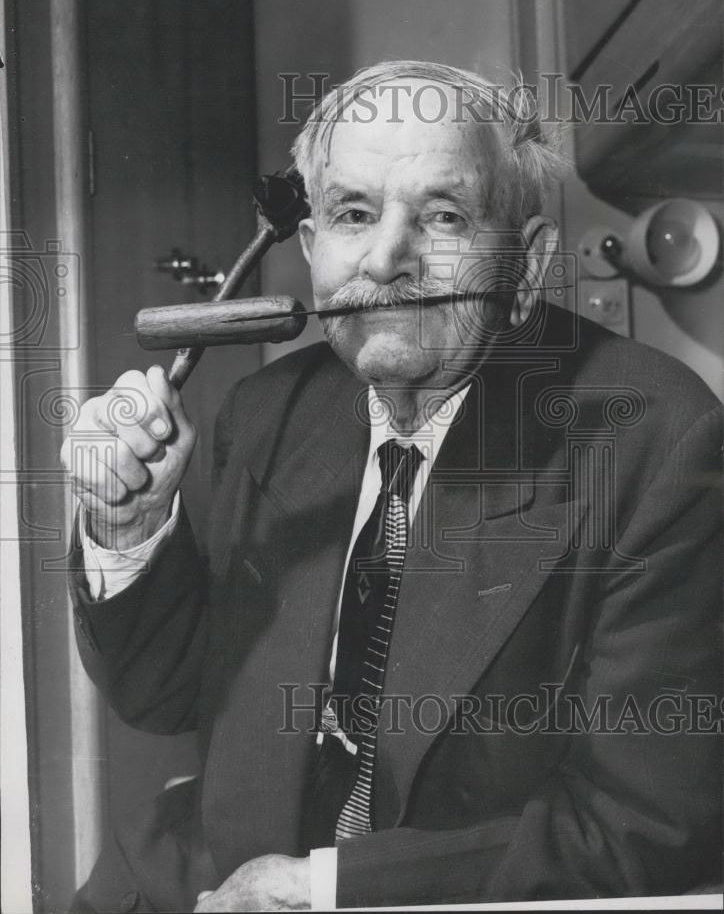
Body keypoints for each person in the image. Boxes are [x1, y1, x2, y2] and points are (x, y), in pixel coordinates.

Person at [62, 61, 722, 912]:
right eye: (352, 214)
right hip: (196, 874)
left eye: (443, 216)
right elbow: (165, 696)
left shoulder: (654, 436)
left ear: (525, 266)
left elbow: (645, 821)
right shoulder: (264, 414)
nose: (384, 259)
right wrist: (130, 523)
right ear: (310, 251)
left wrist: (326, 890)